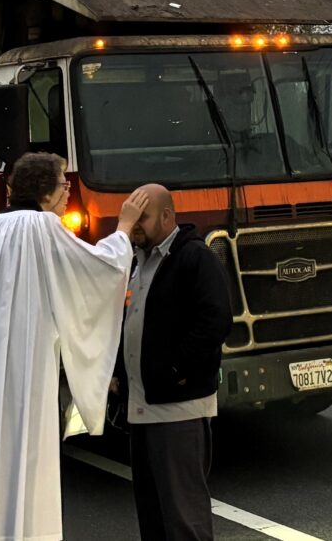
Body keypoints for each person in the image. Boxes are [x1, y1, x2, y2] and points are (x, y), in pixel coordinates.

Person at [0, 152, 149, 541]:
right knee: (19, 453)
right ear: (44, 190)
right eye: (63, 185)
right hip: (20, 366)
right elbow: (95, 271)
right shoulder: (42, 227)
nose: (67, 194)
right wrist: (124, 229)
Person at [116, 183, 232, 541]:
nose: (134, 225)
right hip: (143, 410)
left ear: (167, 217)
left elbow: (216, 321)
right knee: (154, 520)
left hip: (178, 412)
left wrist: (177, 371)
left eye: (143, 217)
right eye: (130, 216)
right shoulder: (139, 262)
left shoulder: (193, 257)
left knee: (184, 522)